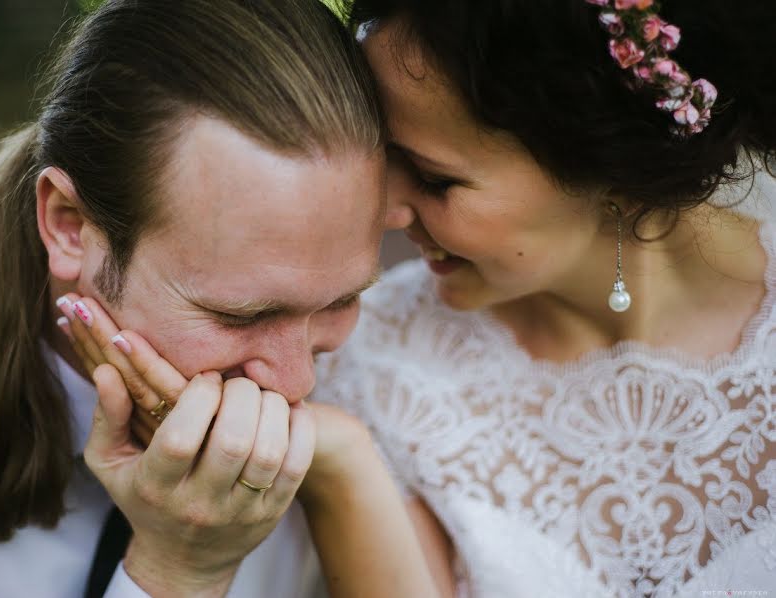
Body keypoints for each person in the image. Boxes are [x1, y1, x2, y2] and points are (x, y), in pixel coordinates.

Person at [0, 0, 437, 596]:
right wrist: (179, 573)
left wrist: (342, 458)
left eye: (338, 302)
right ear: (69, 226)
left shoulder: (384, 395)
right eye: (239, 314)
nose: (297, 381)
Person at [308, 0, 776, 596]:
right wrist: (342, 469)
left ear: (620, 176)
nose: (385, 210)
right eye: (382, 157)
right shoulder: (370, 363)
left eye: (434, 178)